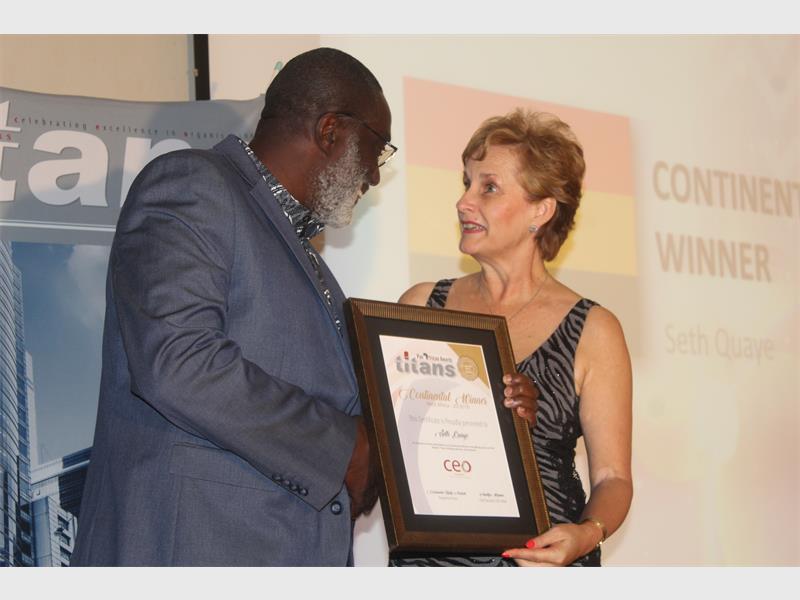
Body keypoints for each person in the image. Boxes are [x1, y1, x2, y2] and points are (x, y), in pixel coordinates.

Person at [72, 47, 394, 566]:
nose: (374, 176)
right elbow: (179, 362)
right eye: (377, 149)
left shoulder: (310, 262)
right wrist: (345, 448)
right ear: (330, 130)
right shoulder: (193, 185)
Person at [393, 109, 633, 567]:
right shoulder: (420, 305)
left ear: (540, 211)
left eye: (488, 187)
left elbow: (613, 478)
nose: (464, 202)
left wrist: (586, 534)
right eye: (466, 183)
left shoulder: (593, 329)